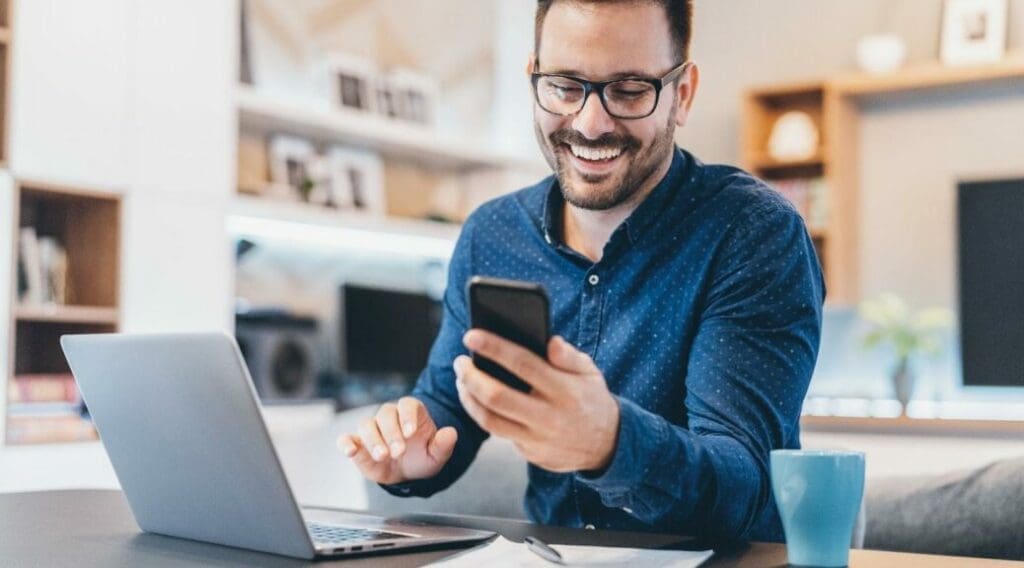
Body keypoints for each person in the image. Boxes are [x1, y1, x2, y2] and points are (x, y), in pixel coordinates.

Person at [338, 0, 824, 543]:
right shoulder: (492, 235)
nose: (591, 124)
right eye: (566, 87)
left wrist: (612, 444)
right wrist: (412, 450)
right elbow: (451, 403)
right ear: (534, 80)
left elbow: (745, 486)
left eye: (630, 90)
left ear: (681, 95)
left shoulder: (751, 233)